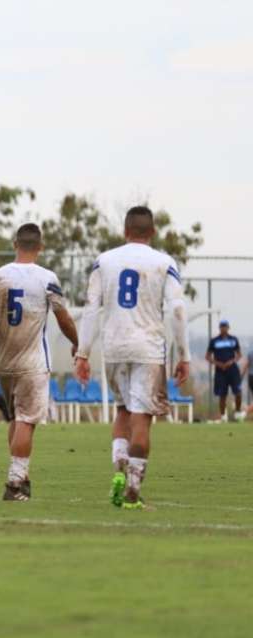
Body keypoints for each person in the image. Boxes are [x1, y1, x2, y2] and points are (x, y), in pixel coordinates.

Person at [76, 206, 190, 510]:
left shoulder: (104, 261)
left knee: (123, 412)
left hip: (113, 348)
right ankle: (133, 489)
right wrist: (184, 355)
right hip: (148, 348)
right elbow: (177, 310)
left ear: (125, 231)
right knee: (142, 419)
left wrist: (82, 353)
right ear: (152, 232)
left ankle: (118, 472)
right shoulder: (164, 263)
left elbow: (91, 307)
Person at [0, 224, 78, 501]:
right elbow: (63, 318)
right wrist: (77, 344)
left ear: (15, 244)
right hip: (33, 360)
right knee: (26, 419)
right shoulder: (47, 278)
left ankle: (22, 478)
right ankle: (14, 482)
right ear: (40, 247)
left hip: (4, 360)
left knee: (15, 417)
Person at [206, 320, 242, 421]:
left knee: (238, 392)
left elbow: (239, 354)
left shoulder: (233, 339)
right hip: (220, 371)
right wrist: (218, 364)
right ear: (219, 328)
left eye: (225, 326)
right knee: (222, 394)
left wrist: (231, 362)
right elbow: (208, 356)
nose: (223, 329)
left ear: (228, 327)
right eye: (222, 327)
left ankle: (238, 413)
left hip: (233, 370)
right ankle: (223, 415)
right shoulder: (214, 341)